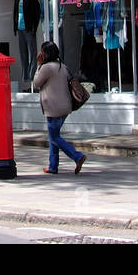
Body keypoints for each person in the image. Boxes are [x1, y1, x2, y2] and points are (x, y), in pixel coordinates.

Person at [32, 40, 86, 175]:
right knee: (53, 136)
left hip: (53, 108)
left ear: (45, 54)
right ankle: (53, 166)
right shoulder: (63, 66)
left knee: (54, 137)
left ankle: (77, 156)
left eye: (42, 51)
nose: (40, 54)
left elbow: (36, 83)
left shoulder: (46, 68)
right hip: (65, 107)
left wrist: (38, 66)